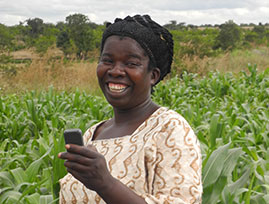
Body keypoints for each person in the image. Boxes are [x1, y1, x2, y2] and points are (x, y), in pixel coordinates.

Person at [58, 14, 203, 204]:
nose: (116, 71)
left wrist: (106, 184)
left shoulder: (169, 129)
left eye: (131, 64)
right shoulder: (92, 134)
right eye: (108, 61)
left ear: (153, 75)